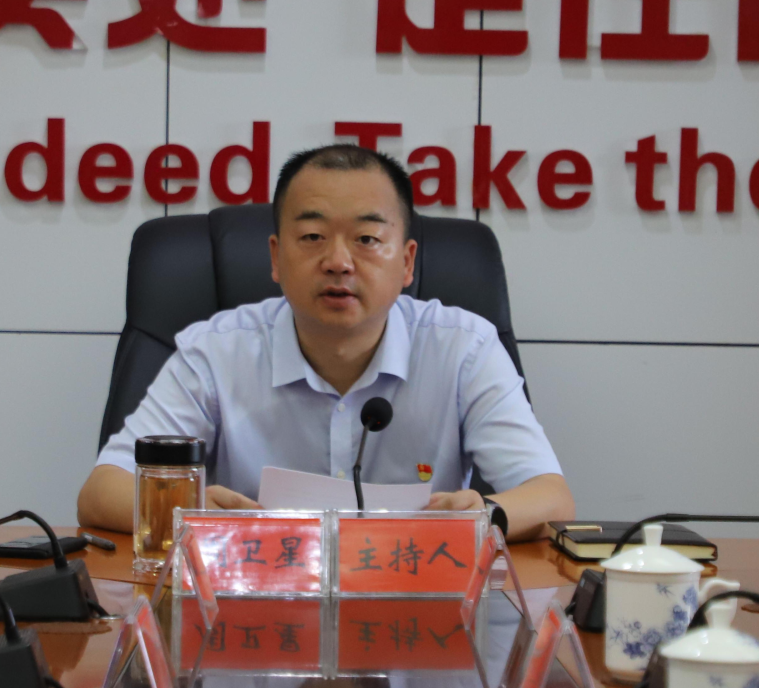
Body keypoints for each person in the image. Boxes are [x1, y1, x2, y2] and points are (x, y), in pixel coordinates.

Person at [77, 144, 575, 541]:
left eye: (367, 239)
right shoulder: (215, 353)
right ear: (276, 258)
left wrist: (485, 513)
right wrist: (187, 509)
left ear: (407, 262)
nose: (338, 262)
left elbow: (550, 497)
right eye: (313, 236)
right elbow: (102, 491)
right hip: (251, 610)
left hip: (417, 605)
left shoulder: (464, 349)